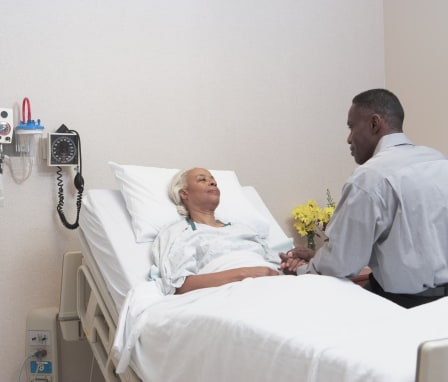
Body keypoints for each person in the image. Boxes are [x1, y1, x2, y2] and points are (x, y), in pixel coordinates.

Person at [280, 88, 448, 308]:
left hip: (403, 306)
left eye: (351, 127)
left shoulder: (369, 179)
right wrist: (318, 256)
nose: (349, 138)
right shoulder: (439, 161)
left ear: (374, 124)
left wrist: (299, 270)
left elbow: (340, 265)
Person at [150, 167, 279, 295]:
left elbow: (275, 268)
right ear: (184, 194)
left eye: (213, 180)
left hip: (276, 285)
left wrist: (292, 265)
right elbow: (179, 286)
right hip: (230, 293)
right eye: (202, 180)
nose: (213, 182)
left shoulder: (243, 229)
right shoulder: (178, 233)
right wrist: (244, 274)